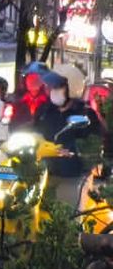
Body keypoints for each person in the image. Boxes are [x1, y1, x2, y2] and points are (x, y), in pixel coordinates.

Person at [31, 64, 98, 210]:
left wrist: (69, 151)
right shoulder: (44, 111)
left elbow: (92, 147)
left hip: (71, 176)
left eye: (58, 87)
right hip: (42, 172)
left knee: (67, 218)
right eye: (52, 87)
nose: (52, 91)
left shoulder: (85, 114)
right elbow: (33, 132)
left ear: (71, 88)